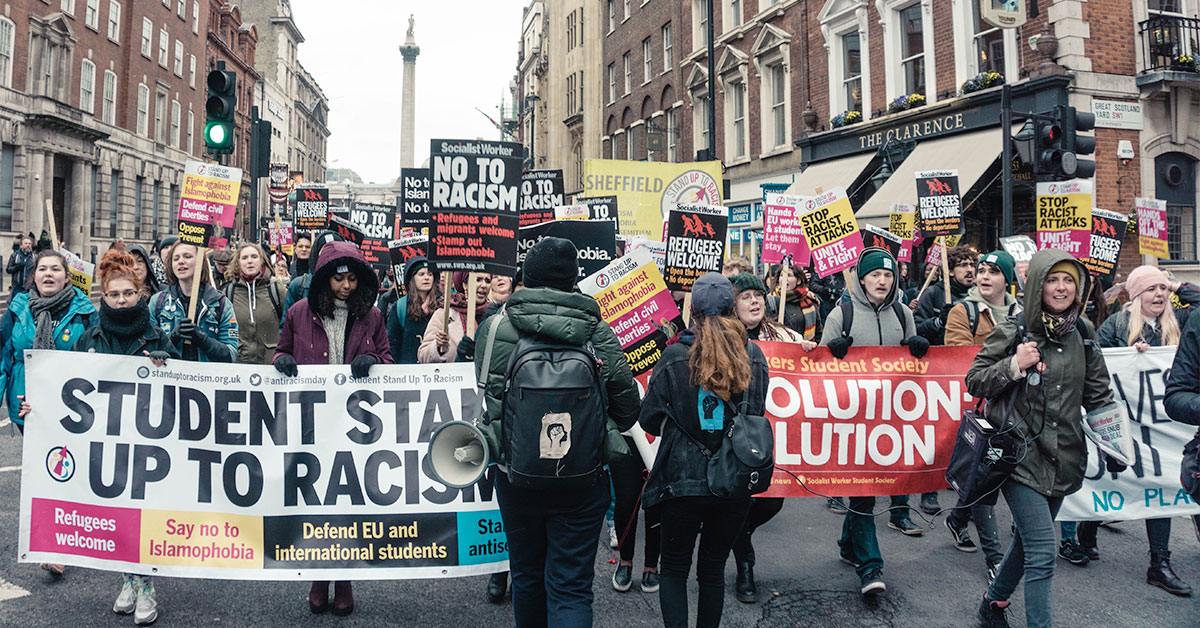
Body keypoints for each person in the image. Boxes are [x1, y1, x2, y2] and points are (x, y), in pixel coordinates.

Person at [474, 237, 641, 628]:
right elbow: (629, 407)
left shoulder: (495, 327)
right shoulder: (597, 332)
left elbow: (487, 393)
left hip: (516, 474)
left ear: (527, 278)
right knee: (570, 586)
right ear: (573, 281)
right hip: (582, 479)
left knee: (528, 577)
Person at [967, 249, 1114, 628]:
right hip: (1018, 458)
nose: (1061, 287)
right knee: (1043, 553)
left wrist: (1116, 442)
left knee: (1026, 545)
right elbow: (975, 380)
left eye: (1069, 280)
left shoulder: (1083, 332)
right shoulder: (1015, 330)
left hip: (1064, 458)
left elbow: (1099, 396)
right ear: (1037, 285)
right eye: (1053, 279)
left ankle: (993, 602)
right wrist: (1015, 365)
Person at [638, 272, 767, 628]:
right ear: (732, 308)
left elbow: (647, 420)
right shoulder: (753, 355)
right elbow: (755, 414)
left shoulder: (674, 356)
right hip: (733, 481)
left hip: (681, 483)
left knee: (674, 570)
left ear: (691, 309)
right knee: (711, 571)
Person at [273, 240, 392, 616]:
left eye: (352, 280)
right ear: (325, 279)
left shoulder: (372, 316)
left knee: (346, 504)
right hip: (312, 423)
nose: (345, 286)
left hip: (354, 424)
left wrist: (372, 359)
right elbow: (279, 350)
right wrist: (283, 360)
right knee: (315, 503)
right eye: (339, 279)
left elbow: (388, 359)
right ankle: (318, 576)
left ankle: (343, 579)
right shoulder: (298, 311)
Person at [73, 250, 176, 626]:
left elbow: (183, 383)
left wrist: (168, 358)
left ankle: (145, 584)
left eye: (128, 294)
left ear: (139, 293)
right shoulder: (90, 337)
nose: (121, 301)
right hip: (107, 439)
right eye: (114, 295)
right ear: (104, 296)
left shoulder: (155, 333)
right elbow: (66, 383)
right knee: (117, 514)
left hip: (148, 442)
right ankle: (128, 580)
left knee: (144, 515)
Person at [1081, 265, 1199, 596]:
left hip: (1167, 426)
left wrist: (1176, 285)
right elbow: (1094, 361)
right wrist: (1129, 358)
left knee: (1159, 485)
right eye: (1151, 289)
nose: (1159, 295)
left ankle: (1159, 563)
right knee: (1115, 477)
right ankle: (1088, 528)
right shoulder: (1117, 325)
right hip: (1127, 424)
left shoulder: (1181, 322)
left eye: (1163, 289)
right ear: (1135, 296)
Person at [820, 247, 927, 597]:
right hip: (853, 421)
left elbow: (917, 372)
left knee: (868, 490)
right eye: (875, 275)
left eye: (888, 275)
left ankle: (849, 545)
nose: (882, 280)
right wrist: (832, 350)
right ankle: (871, 567)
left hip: (889, 421)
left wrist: (918, 350)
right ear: (862, 278)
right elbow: (816, 374)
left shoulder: (902, 313)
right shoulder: (842, 315)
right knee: (864, 494)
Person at [726, 272, 813, 603]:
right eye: (746, 296)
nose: (754, 301)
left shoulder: (782, 335)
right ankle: (745, 566)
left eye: (758, 295)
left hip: (773, 435)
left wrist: (808, 351)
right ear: (732, 304)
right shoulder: (724, 336)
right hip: (735, 435)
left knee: (772, 500)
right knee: (736, 502)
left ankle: (741, 534)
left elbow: (810, 371)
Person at [941, 250, 1021, 583]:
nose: (984, 276)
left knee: (996, 478)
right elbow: (963, 357)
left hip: (1021, 411)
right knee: (985, 479)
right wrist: (1014, 361)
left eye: (993, 271)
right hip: (985, 406)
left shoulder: (1024, 313)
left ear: (1008, 279)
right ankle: (996, 558)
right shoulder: (965, 311)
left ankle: (958, 518)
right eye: (981, 270)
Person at [0, 248, 95, 434]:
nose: (48, 273)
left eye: (55, 269)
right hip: (26, 403)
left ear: (67, 277)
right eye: (42, 269)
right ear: (34, 276)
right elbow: (2, 357)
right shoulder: (18, 309)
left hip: (73, 405)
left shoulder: (85, 311)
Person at [149, 241, 238, 363]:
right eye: (176, 258)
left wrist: (202, 339)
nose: (181, 261)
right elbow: (149, 348)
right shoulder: (158, 302)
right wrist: (172, 338)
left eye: (187, 256)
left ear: (200, 261)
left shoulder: (221, 304)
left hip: (206, 378)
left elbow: (230, 354)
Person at [223, 242, 285, 365]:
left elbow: (289, 326)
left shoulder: (276, 290)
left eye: (254, 257)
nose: (249, 261)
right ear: (238, 263)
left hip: (271, 367)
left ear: (262, 260)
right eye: (244, 258)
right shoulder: (229, 292)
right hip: (239, 366)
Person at [419, 271, 491, 363]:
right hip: (454, 376)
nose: (484, 285)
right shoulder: (444, 314)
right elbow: (422, 355)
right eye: (478, 280)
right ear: (465, 284)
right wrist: (438, 346)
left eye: (488, 281)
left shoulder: (494, 315)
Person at [281, 231, 343, 330]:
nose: (329, 256)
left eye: (334, 251)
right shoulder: (298, 286)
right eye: (325, 251)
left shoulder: (351, 287)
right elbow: (285, 329)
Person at [386, 256, 439, 365]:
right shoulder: (400, 307)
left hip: (435, 374)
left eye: (430, 274)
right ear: (412, 278)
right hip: (407, 374)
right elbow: (392, 344)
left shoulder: (441, 305)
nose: (426, 278)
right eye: (421, 274)